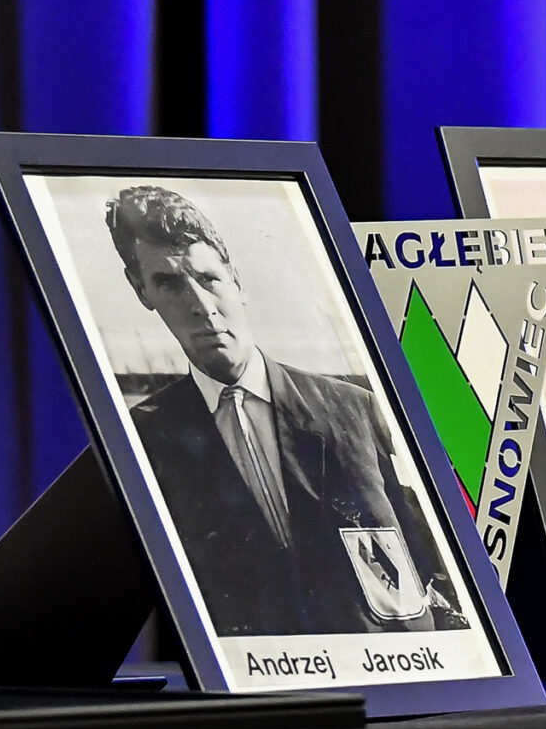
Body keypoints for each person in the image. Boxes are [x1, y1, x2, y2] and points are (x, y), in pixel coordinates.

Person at [112, 184, 459, 638]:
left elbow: (429, 559)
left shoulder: (352, 408)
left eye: (209, 278)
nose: (201, 306)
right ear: (141, 290)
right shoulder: (142, 437)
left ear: (236, 280)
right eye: (170, 284)